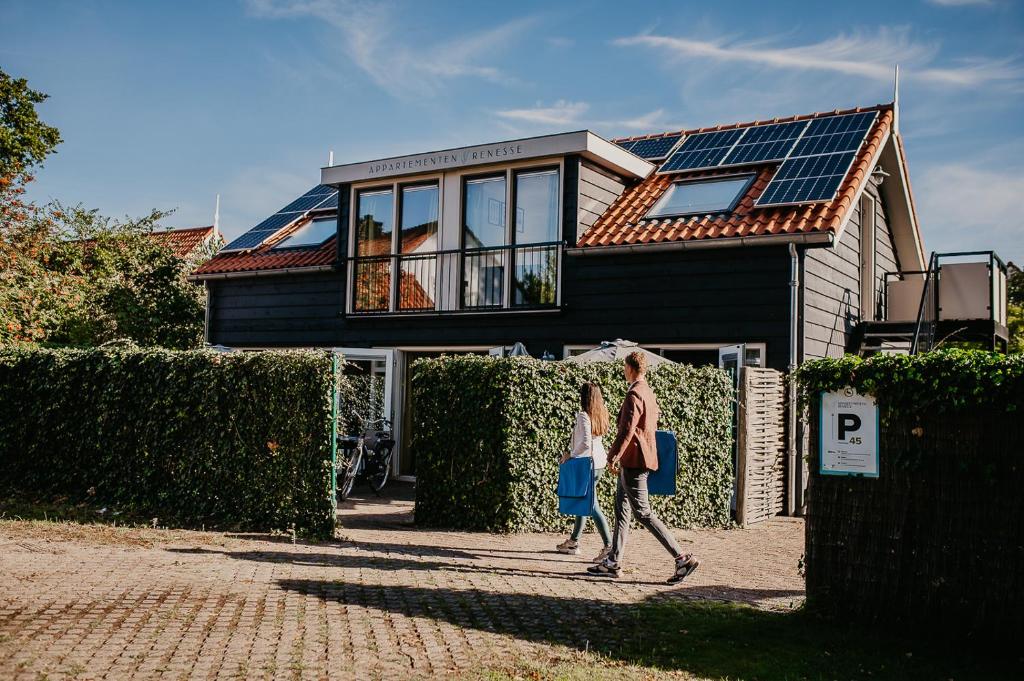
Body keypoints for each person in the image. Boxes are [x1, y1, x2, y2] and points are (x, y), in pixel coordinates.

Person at [587, 351, 699, 584]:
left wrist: (613, 455)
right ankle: (613, 562)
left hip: (634, 461)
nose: (623, 371)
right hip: (638, 459)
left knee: (643, 513)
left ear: (630, 368)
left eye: (624, 368)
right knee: (622, 510)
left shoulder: (635, 393)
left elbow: (627, 430)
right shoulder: (648, 391)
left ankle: (682, 558)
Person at [556, 382, 613, 563]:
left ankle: (609, 547)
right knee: (584, 500)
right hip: (599, 463)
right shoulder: (601, 413)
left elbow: (586, 443)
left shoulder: (583, 415)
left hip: (587, 463)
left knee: (593, 505)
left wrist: (569, 456)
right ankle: (573, 542)